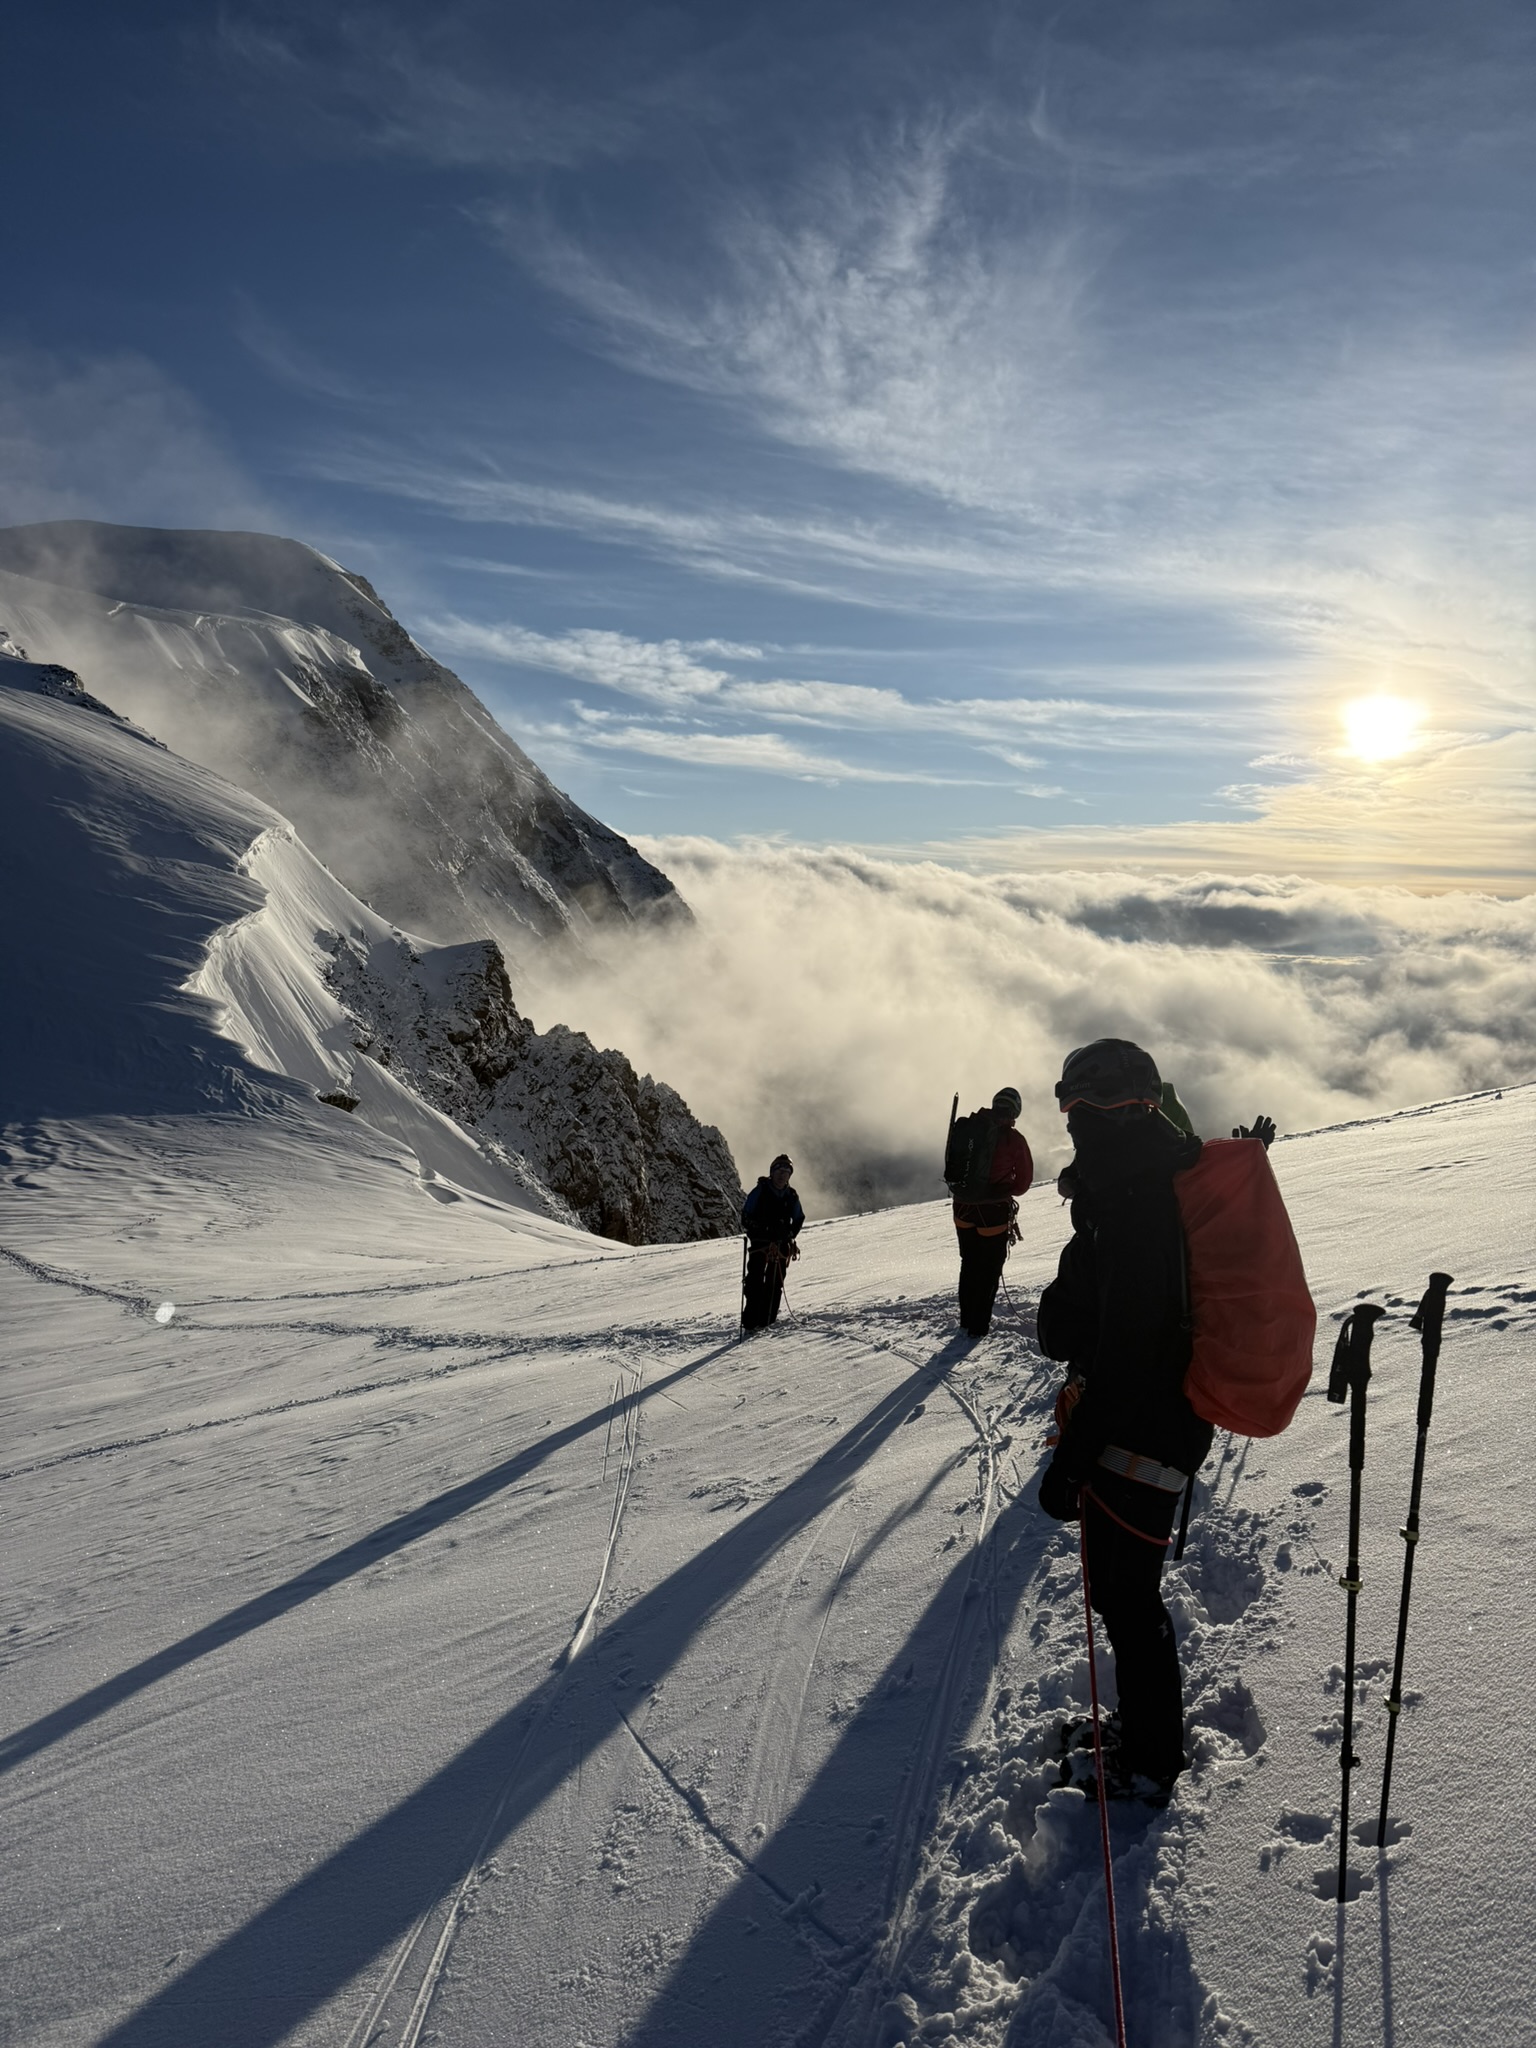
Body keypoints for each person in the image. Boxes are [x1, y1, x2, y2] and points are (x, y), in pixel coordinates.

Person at [1035, 1037, 1210, 1802]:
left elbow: (1132, 1354)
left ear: (1137, 1110)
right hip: (1144, 1429)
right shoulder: (1126, 1192)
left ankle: (1151, 1762)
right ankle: (1144, 1738)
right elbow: (1086, 1331)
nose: (1081, 1121)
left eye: (1095, 1107)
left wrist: (1071, 1461)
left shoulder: (1137, 1208)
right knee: (1120, 1594)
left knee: (1129, 1601)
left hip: (1145, 1434)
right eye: (1075, 1107)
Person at [953, 1087, 1034, 1339]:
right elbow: (1022, 1184)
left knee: (969, 1264)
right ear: (1015, 1111)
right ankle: (978, 1328)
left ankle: (966, 1321)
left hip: (962, 1207)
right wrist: (1003, 1187)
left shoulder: (969, 1128)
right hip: (993, 1212)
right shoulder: (1014, 1139)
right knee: (988, 1270)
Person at [741, 1154, 804, 1329]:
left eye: (786, 1171)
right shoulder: (760, 1191)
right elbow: (746, 1216)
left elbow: (798, 1218)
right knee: (755, 1281)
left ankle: (767, 1321)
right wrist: (762, 1230)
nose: (782, 1174)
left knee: (775, 1283)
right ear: (772, 1172)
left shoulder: (791, 1196)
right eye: (779, 1170)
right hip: (761, 1244)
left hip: (779, 1244)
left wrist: (789, 1234)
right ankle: (751, 1322)